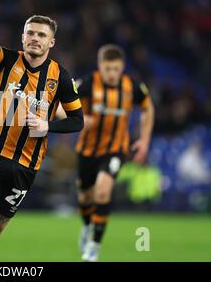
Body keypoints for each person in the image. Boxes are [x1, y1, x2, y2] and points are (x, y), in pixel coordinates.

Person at [0, 0, 84, 262]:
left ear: (51, 43)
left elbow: (77, 120)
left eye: (41, 35)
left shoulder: (61, 78)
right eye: (30, 33)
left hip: (25, 166)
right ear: (23, 36)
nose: (35, 38)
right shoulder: (8, 61)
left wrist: (46, 125)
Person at [70, 44, 154, 261]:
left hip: (116, 149)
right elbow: (65, 103)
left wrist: (144, 141)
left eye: (116, 69)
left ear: (122, 67)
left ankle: (94, 247)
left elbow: (148, 107)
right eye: (108, 69)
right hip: (88, 149)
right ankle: (88, 226)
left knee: (103, 192)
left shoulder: (131, 87)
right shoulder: (89, 84)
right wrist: (79, 118)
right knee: (85, 198)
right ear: (100, 66)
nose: (112, 74)